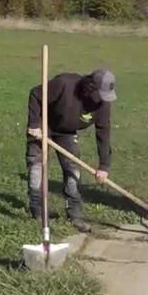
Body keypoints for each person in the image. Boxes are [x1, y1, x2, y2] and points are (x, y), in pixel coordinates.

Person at [26, 69, 116, 233]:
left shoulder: (103, 104)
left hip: (66, 132)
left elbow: (103, 132)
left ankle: (74, 215)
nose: (102, 100)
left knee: (73, 171)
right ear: (90, 88)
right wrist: (34, 125)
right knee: (36, 169)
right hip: (43, 126)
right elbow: (35, 94)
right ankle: (37, 213)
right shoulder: (65, 84)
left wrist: (104, 165)